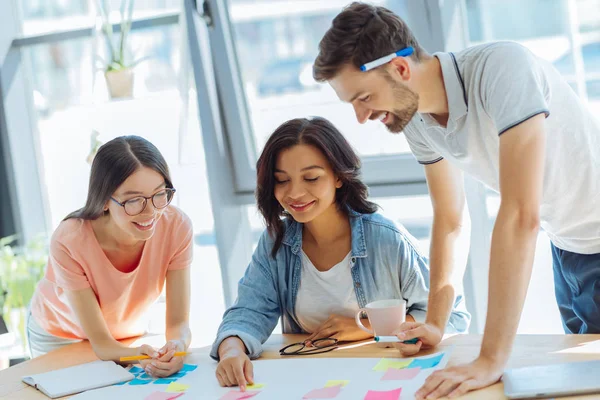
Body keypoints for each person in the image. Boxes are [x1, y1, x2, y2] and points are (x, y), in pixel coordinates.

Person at [312, 2, 600, 398]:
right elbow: (450, 219)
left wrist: (490, 359)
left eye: (363, 97)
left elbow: (519, 216)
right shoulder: (414, 119)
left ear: (399, 68)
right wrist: (435, 322)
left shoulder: (503, 68)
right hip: (569, 249)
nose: (361, 117)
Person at [211, 117, 470, 390]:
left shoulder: (385, 238)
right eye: (281, 180)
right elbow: (248, 312)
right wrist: (232, 351)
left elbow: (450, 316)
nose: (295, 193)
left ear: (337, 176)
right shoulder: (277, 242)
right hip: (312, 382)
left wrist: (366, 328)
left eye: (311, 177)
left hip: (387, 379)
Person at [28, 135, 193, 378]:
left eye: (160, 194)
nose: (151, 212)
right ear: (105, 200)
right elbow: (102, 345)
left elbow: (178, 324)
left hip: (124, 333)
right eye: (134, 201)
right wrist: (138, 354)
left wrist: (176, 348)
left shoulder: (176, 226)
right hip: (60, 336)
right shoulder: (70, 240)